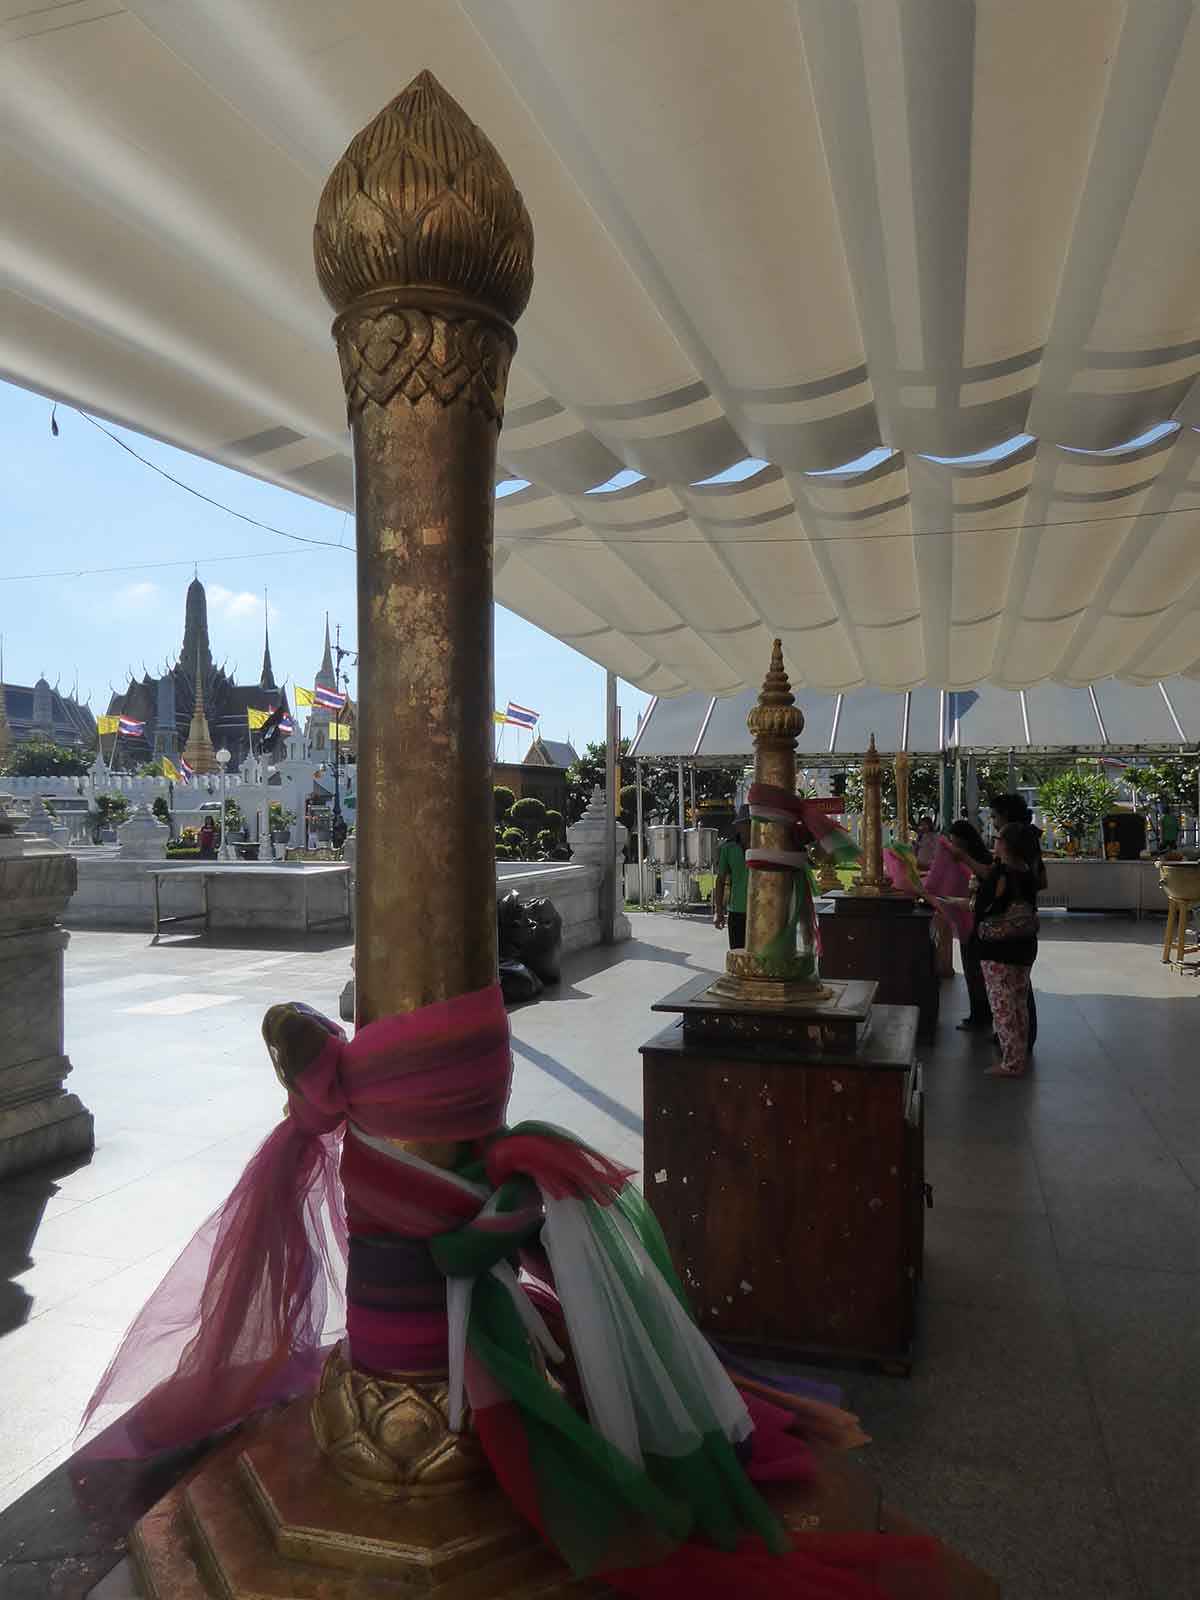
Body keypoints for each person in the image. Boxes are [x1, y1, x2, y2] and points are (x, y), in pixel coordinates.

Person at [974, 822, 1041, 1076]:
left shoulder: (1001, 874)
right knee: (1018, 1003)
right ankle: (1019, 1055)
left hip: (998, 948)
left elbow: (988, 906)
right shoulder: (1027, 871)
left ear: (1007, 845)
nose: (994, 841)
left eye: (998, 838)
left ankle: (1012, 1062)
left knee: (1002, 1005)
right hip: (1024, 946)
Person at [713, 807, 750, 950]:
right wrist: (718, 911)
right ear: (738, 826)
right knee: (738, 955)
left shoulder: (764, 848)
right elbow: (720, 880)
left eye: (751, 824)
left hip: (760, 911)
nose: (748, 828)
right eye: (744, 824)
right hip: (737, 911)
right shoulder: (729, 848)